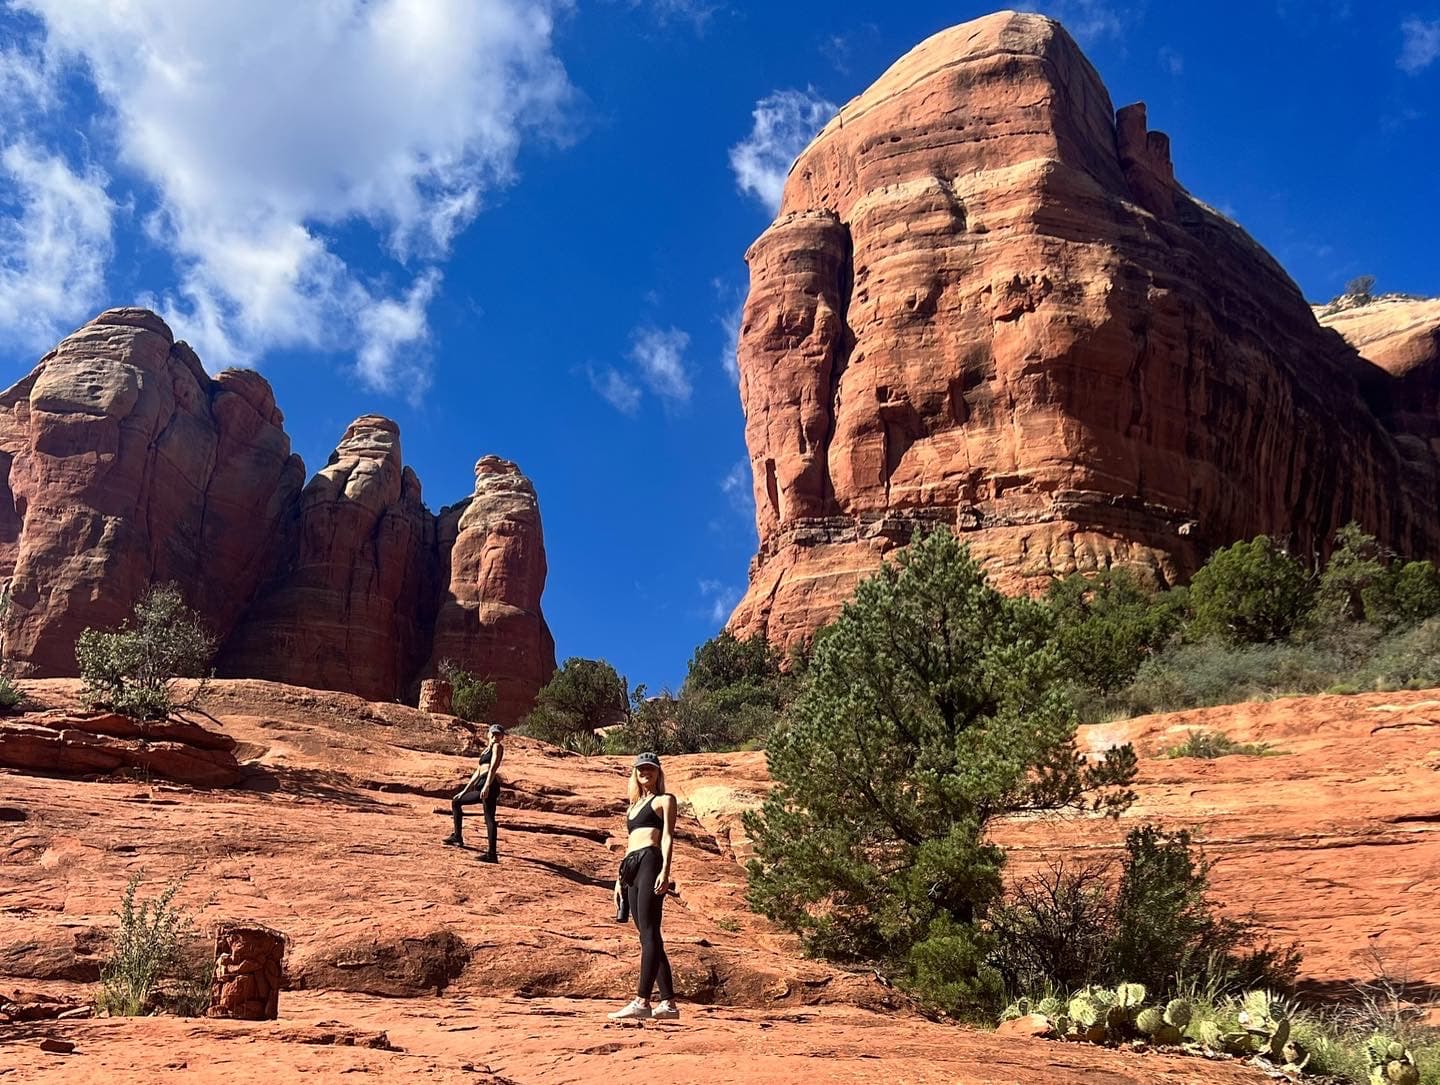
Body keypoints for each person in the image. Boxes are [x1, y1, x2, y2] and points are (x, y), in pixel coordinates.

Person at [608, 751, 679, 1021]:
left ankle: (642, 1001)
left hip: (651, 860)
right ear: (635, 774)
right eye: (640, 769)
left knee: (649, 931)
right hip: (631, 867)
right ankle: (669, 1004)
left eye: (650, 769)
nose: (645, 773)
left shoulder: (664, 800)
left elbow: (668, 837)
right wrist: (619, 880)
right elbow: (628, 846)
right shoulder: (633, 806)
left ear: (658, 773)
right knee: (647, 936)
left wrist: (665, 870)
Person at [443, 723, 505, 862]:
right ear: (488, 734)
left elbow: (493, 767)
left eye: (498, 734)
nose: (495, 736)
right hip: (481, 784)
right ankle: (457, 837)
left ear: (501, 737)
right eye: (493, 734)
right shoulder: (485, 751)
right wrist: (464, 791)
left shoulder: (497, 747)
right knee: (456, 801)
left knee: (489, 818)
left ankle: (491, 854)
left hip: (490, 785)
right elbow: (477, 772)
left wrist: (487, 786)